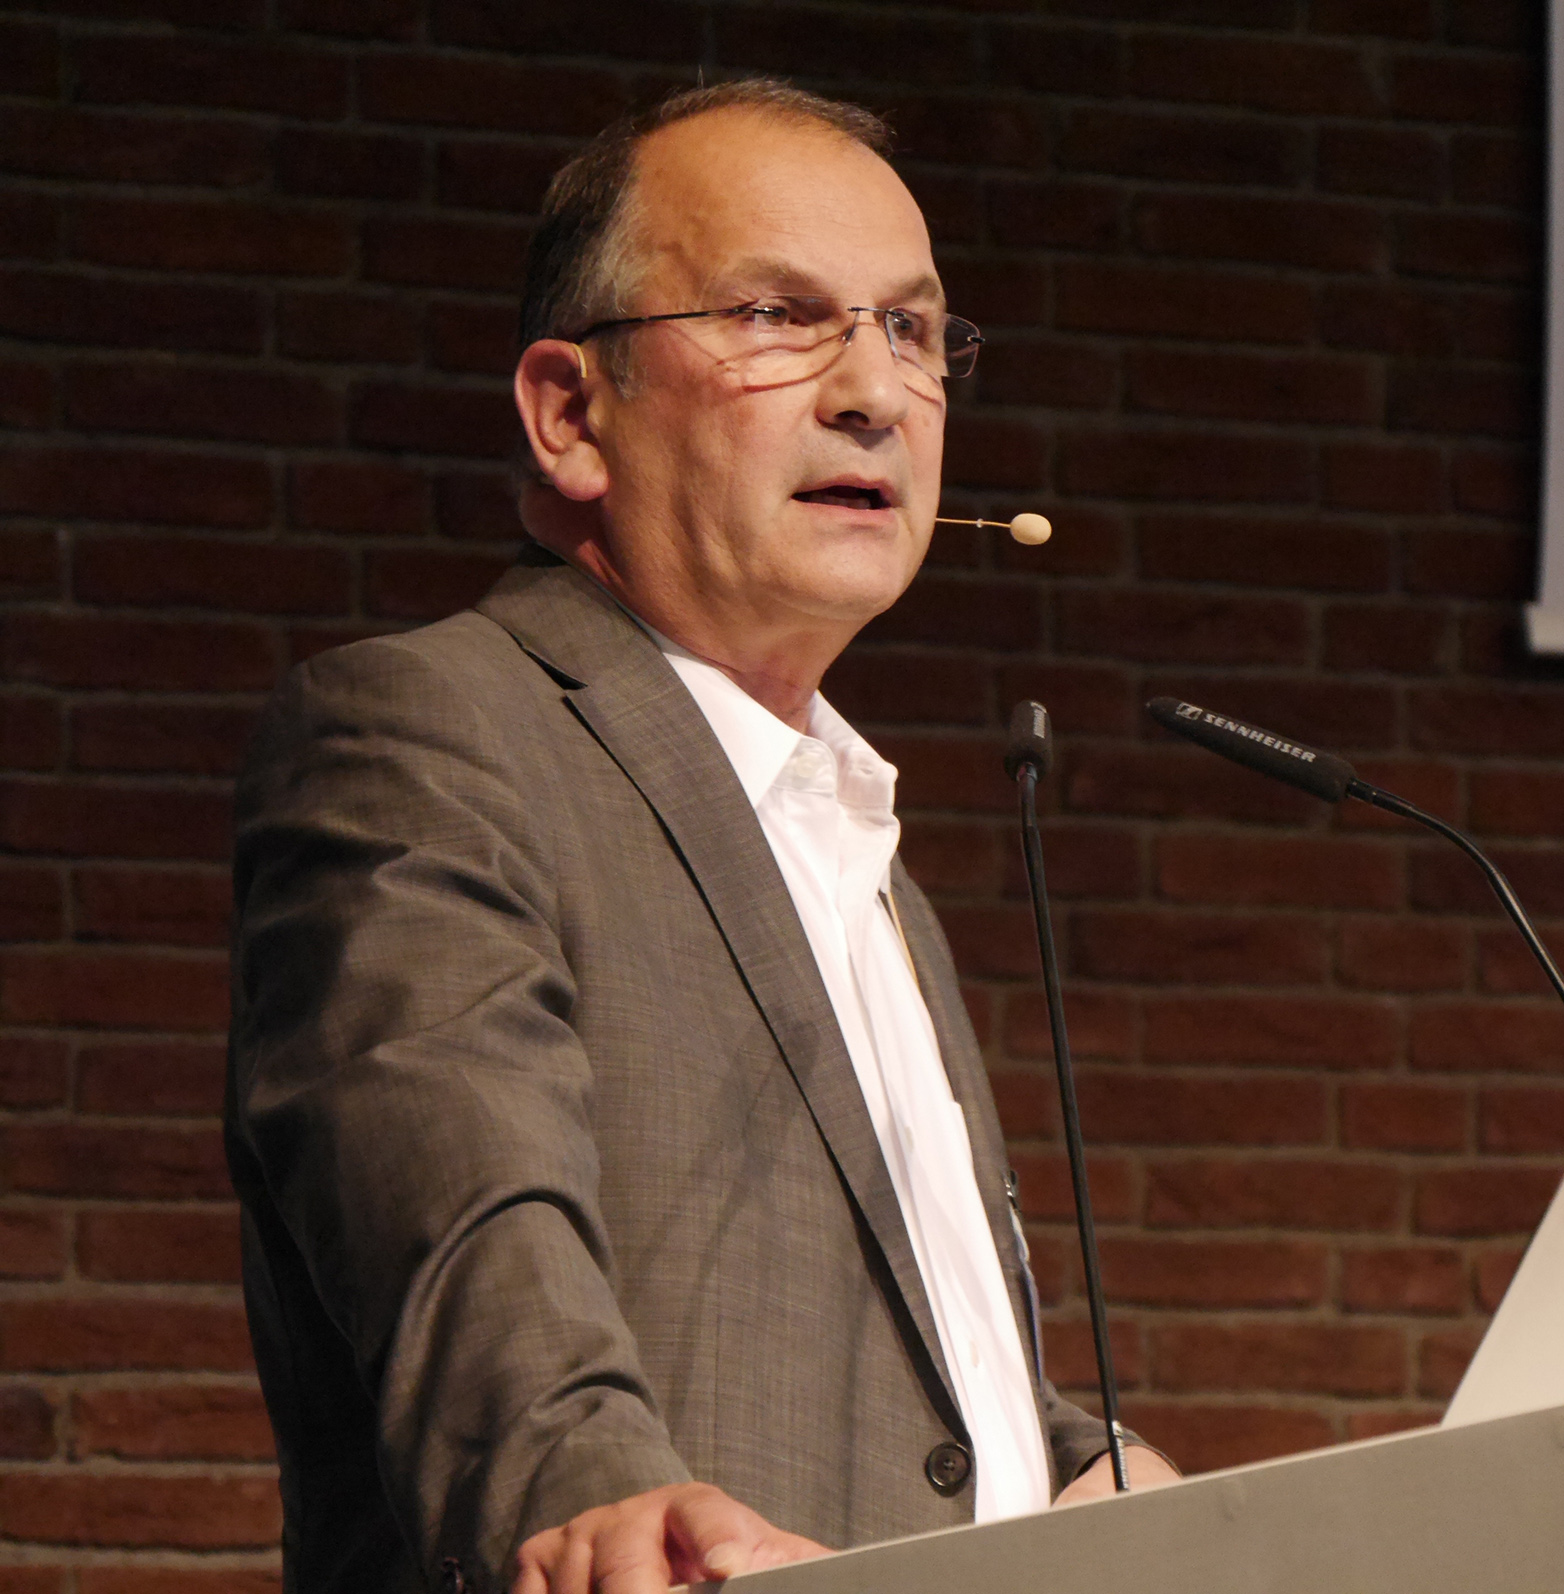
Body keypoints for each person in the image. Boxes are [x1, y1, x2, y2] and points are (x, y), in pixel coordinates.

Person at [224, 78, 1177, 1594]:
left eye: (912, 329)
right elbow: (466, 1229)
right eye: (777, 316)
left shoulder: (860, 853)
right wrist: (599, 1500)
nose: (874, 391)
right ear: (569, 413)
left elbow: (903, 1369)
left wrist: (1078, 1463)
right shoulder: (433, 734)